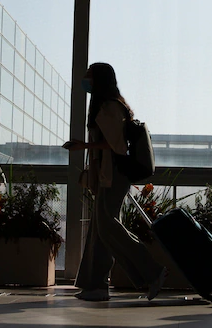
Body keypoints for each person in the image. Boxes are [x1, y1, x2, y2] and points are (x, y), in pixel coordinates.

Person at [64, 62, 167, 303]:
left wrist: (84, 146)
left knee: (107, 226)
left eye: (89, 74)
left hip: (114, 175)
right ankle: (95, 285)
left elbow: (116, 145)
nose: (85, 77)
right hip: (106, 176)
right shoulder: (107, 105)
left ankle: (153, 271)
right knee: (100, 231)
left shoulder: (110, 107)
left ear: (99, 79)